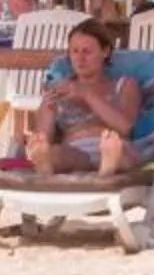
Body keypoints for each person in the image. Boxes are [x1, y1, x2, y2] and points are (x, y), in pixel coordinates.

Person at [25, 19, 140, 181]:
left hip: (111, 146)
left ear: (105, 51)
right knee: (55, 153)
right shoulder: (59, 89)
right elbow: (44, 137)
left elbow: (125, 127)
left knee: (124, 156)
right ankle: (46, 169)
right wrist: (48, 107)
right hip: (75, 150)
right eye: (74, 51)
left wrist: (87, 94)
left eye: (87, 51)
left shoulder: (124, 85)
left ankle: (107, 168)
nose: (80, 58)